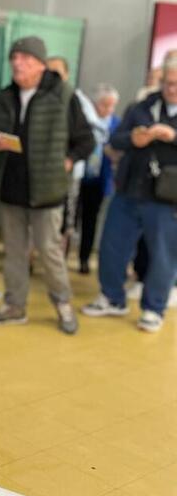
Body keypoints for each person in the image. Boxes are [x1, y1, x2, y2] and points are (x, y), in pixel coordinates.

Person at [0, 36, 95, 334]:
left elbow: (86, 140)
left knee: (49, 251)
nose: (18, 64)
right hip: (11, 187)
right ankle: (14, 305)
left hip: (47, 189)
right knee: (15, 252)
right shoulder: (6, 96)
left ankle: (63, 304)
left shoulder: (63, 95)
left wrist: (68, 161)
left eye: (25, 59)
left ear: (41, 64)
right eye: (14, 58)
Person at [82, 56, 177, 332]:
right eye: (168, 83)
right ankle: (112, 297)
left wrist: (171, 136)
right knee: (112, 245)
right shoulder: (141, 107)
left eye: (176, 84)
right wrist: (134, 139)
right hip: (129, 189)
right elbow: (115, 138)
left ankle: (153, 309)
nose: (171, 89)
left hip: (166, 196)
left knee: (163, 255)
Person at [46, 56, 107, 256]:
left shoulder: (77, 99)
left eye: (57, 73)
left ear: (67, 74)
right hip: (41, 169)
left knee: (66, 217)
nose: (52, 77)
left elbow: (93, 134)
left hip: (69, 171)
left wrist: (71, 158)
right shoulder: (37, 96)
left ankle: (59, 259)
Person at [76, 83, 120, 274]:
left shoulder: (116, 124)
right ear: (95, 104)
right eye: (104, 105)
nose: (107, 109)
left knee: (90, 220)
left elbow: (120, 150)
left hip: (100, 179)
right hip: (79, 176)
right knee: (70, 219)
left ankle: (83, 258)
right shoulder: (85, 119)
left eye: (111, 105)